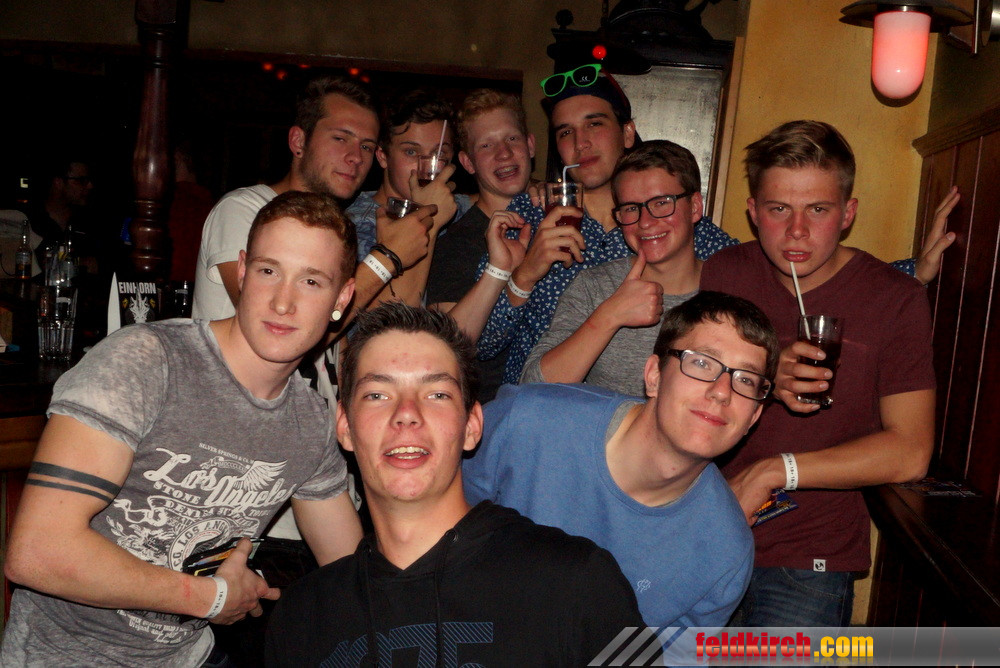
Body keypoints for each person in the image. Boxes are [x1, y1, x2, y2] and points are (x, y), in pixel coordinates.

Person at [2, 191, 364, 666]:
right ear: (242, 271)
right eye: (268, 271)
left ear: (342, 298)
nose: (283, 302)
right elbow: (37, 552)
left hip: (189, 657)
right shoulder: (146, 362)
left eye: (311, 281)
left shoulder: (309, 422)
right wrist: (210, 598)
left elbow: (353, 573)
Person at [477, 65, 953, 385]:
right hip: (530, 411)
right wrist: (524, 276)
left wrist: (913, 271)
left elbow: (789, 260)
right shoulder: (532, 214)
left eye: (594, 124)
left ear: (626, 132)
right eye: (565, 132)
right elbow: (481, 346)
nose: (580, 143)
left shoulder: (696, 236)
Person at [265, 303, 644, 666]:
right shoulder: (300, 616)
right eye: (378, 394)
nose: (406, 414)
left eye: (437, 394)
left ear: (472, 426)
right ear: (345, 426)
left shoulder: (577, 578)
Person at [700, 120, 939, 627]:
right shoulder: (723, 274)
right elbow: (684, 392)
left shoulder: (896, 298)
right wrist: (764, 376)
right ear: (753, 212)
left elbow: (911, 450)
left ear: (848, 213)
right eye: (778, 209)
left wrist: (776, 470)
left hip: (809, 557)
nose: (797, 231)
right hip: (703, 532)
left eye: (818, 209)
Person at [465, 290, 780, 628]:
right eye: (701, 362)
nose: (721, 391)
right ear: (654, 376)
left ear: (753, 416)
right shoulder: (528, 422)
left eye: (746, 380)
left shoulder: (725, 551)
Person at [192, 76, 436, 324]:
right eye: (340, 138)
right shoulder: (242, 209)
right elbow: (272, 320)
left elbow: (337, 338)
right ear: (298, 141)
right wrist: (387, 257)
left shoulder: (337, 228)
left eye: (366, 147)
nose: (356, 157)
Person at [520, 140, 702, 396]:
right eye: (631, 208)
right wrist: (609, 316)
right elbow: (532, 389)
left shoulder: (729, 285)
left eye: (661, 203)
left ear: (695, 207)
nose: (645, 222)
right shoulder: (595, 285)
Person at [427, 89, 536, 401]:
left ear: (530, 145)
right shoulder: (456, 243)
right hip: (488, 411)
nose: (504, 153)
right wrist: (499, 270)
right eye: (486, 145)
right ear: (468, 162)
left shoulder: (558, 217)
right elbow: (445, 349)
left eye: (512, 139)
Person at [344, 89, 467, 307]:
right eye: (411, 152)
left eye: (439, 154)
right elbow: (393, 320)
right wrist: (430, 218)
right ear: (383, 156)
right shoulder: (354, 227)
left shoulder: (455, 208)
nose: (426, 168)